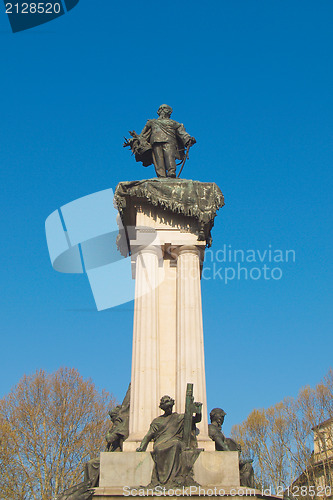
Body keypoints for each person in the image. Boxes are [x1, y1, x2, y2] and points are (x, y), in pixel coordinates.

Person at [136, 395, 201, 487]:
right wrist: (142, 447)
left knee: (176, 444)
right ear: (163, 408)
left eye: (170, 406)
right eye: (167, 407)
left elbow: (195, 420)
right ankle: (164, 479)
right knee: (161, 448)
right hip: (160, 443)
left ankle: (175, 477)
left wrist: (198, 412)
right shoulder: (157, 421)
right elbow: (149, 435)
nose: (169, 409)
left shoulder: (178, 417)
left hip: (174, 442)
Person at [124, 104, 196, 178]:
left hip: (169, 141)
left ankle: (171, 171)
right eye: (160, 109)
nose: (162, 110)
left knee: (169, 156)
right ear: (158, 111)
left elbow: (182, 133)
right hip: (155, 142)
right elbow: (142, 135)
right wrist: (134, 139)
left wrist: (188, 139)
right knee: (158, 158)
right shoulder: (152, 122)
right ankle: (161, 175)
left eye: (164, 108)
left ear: (170, 112)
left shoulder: (175, 123)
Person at [208, 408, 255, 488]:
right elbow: (222, 446)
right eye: (222, 417)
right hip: (220, 461)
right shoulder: (212, 428)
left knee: (247, 467)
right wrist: (236, 458)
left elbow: (225, 444)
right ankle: (246, 490)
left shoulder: (217, 431)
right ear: (218, 418)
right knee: (247, 467)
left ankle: (247, 490)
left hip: (224, 459)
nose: (223, 419)